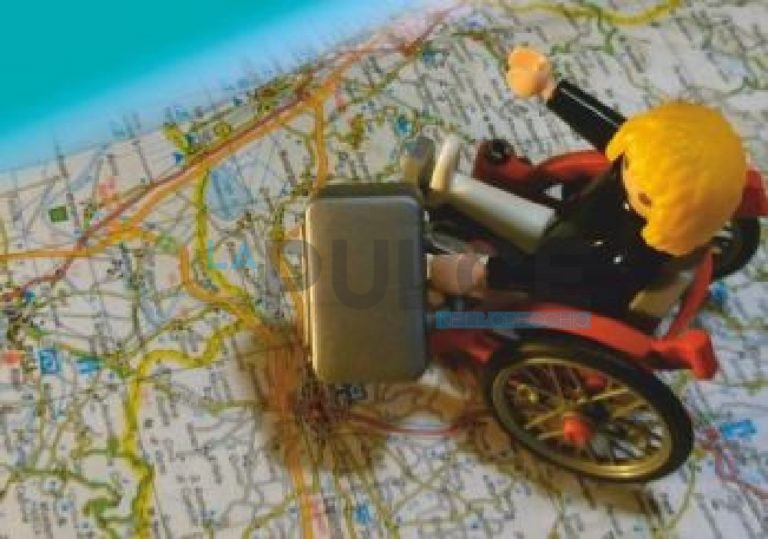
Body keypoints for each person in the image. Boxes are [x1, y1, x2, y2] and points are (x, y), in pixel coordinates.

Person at [429, 46, 748, 318]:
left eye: (638, 173)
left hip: (564, 262)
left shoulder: (621, 259)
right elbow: (614, 132)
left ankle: (449, 199)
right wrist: (548, 87)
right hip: (569, 223)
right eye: (630, 161)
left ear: (666, 211)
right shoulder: (644, 165)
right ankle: (451, 187)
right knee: (488, 203)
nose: (627, 166)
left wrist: (485, 273)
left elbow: (547, 277)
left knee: (485, 262)